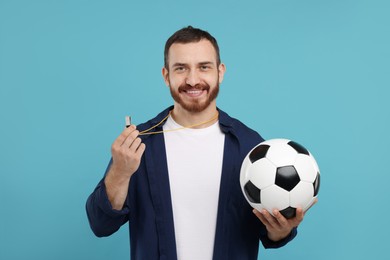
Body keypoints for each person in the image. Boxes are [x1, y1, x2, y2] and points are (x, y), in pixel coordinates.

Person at [86, 26, 311, 260]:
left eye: (204, 67)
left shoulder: (251, 147)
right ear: (166, 75)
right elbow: (100, 224)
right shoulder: (138, 144)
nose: (193, 80)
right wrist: (120, 173)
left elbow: (269, 234)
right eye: (181, 68)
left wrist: (281, 230)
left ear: (220, 72)